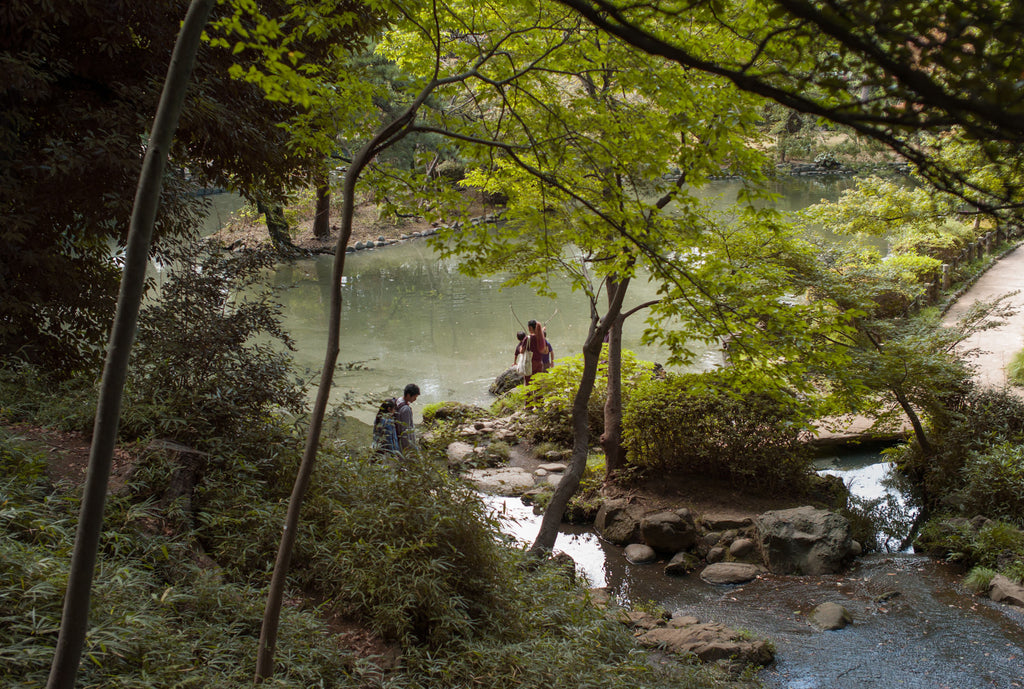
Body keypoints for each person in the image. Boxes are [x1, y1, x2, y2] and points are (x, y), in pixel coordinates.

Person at [394, 383, 420, 454]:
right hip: (404, 444)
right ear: (408, 395)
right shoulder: (406, 409)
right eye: (414, 397)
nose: (415, 399)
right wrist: (409, 448)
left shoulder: (398, 401)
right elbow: (406, 430)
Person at [526, 320, 548, 384]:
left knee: (528, 382)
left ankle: (529, 394)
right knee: (537, 382)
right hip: (539, 363)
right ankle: (538, 394)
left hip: (530, 363)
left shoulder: (528, 338)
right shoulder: (542, 339)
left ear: (530, 328)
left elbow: (522, 350)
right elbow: (545, 351)